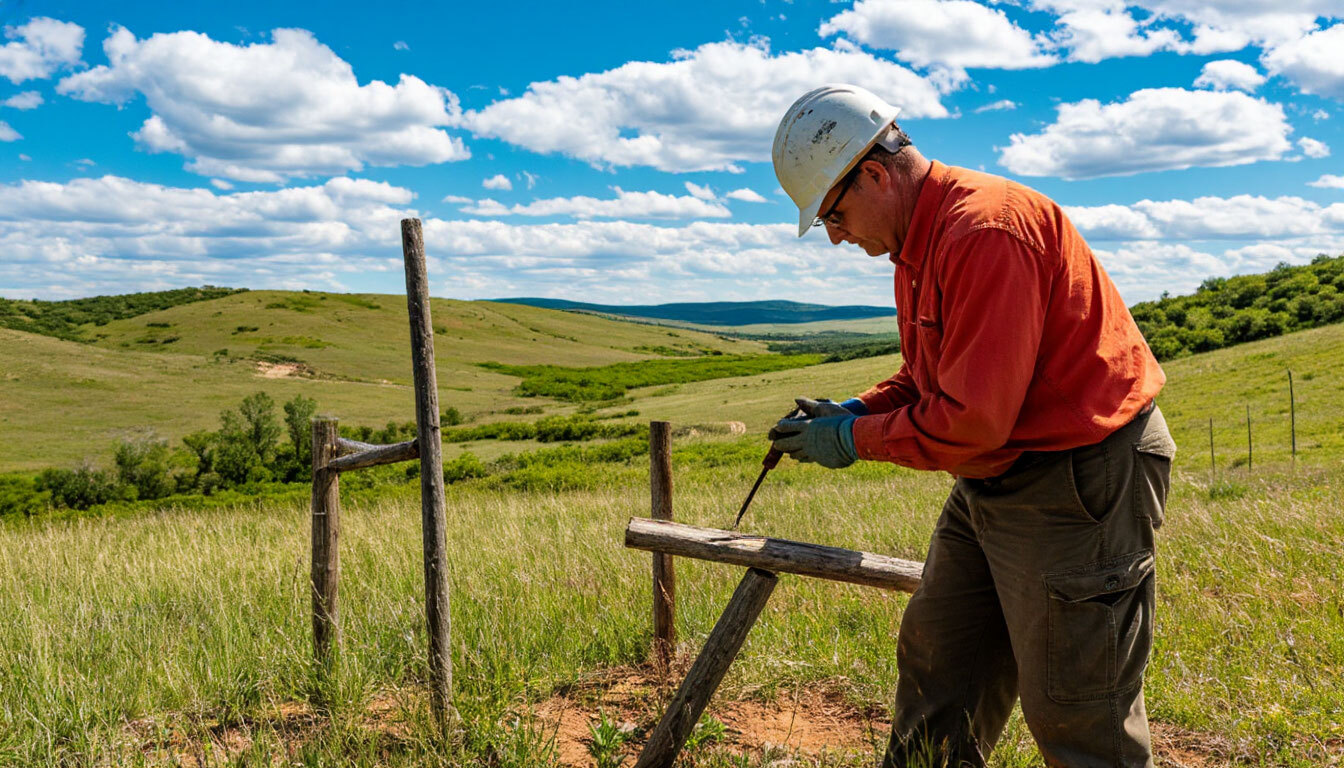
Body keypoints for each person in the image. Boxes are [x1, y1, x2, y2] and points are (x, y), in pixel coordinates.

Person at [767, 84, 1176, 767]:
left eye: (834, 214)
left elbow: (972, 419)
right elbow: (932, 376)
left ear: (875, 175)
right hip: (997, 474)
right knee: (940, 660)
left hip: (1078, 477)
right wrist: (858, 409)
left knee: (1078, 710)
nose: (835, 235)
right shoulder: (916, 244)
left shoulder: (985, 232)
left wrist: (850, 440)